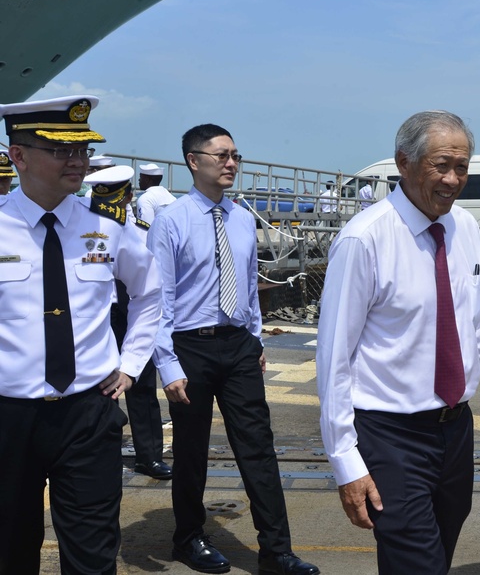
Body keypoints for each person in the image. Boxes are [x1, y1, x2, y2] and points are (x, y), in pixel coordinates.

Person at [316, 110, 480, 574]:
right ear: (404, 163)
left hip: (454, 430)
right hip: (390, 435)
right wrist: (346, 461)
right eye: (440, 165)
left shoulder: (463, 228)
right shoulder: (365, 240)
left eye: (461, 167)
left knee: (437, 554)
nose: (452, 179)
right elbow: (334, 359)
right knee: (418, 562)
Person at [0, 95, 162, 574]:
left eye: (83, 150)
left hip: (87, 414)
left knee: (93, 554)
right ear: (18, 155)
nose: (77, 161)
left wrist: (131, 364)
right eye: (61, 150)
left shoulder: (107, 230)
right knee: (9, 550)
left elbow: (151, 295)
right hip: (9, 417)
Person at [148, 124, 319, 575]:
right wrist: (167, 365)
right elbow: (157, 299)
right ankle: (188, 537)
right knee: (191, 449)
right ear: (193, 160)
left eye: (235, 155)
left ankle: (276, 550)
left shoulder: (242, 218)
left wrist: (255, 339)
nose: (231, 163)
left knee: (257, 446)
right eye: (221, 155)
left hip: (238, 345)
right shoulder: (172, 219)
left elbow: (246, 287)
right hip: (190, 346)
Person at [85, 165, 173, 482]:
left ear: (129, 195)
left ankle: (149, 456)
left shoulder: (141, 229)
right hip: (103, 313)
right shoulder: (88, 228)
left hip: (133, 310)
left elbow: (151, 282)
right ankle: (98, 454)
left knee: (142, 383)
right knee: (99, 387)